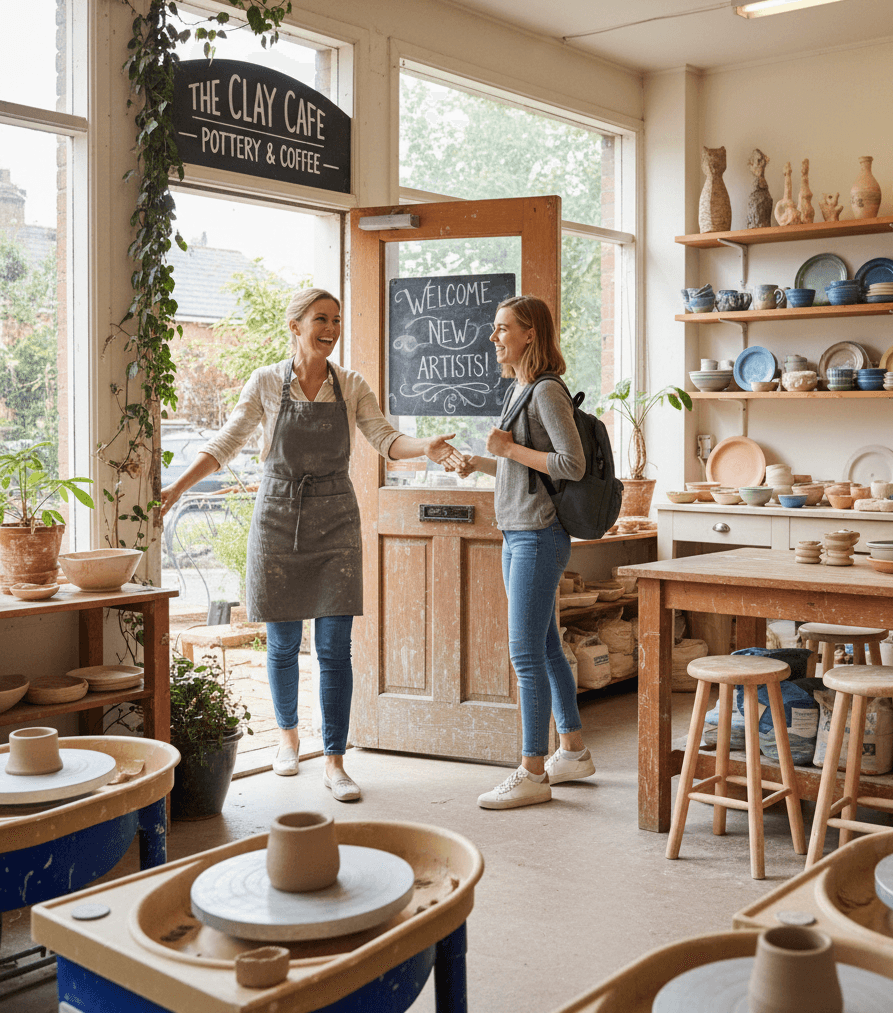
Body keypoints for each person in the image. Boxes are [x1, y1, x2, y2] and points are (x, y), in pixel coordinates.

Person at [161, 287, 459, 802]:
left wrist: (424, 447)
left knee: (334, 649)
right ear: (294, 325)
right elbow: (225, 443)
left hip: (336, 521)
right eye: (321, 319)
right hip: (277, 518)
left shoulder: (352, 385)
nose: (332, 329)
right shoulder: (265, 383)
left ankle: (336, 760)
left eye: (337, 320)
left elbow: (387, 439)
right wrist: (175, 489)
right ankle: (287, 737)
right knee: (280, 645)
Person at [453, 295, 596, 809]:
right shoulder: (519, 390)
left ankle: (532, 770)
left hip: (538, 534)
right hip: (519, 533)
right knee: (548, 648)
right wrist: (483, 462)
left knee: (525, 656)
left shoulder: (546, 392)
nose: (493, 337)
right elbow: (525, 467)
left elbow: (571, 464)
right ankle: (573, 751)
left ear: (530, 333)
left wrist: (507, 449)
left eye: (502, 328)